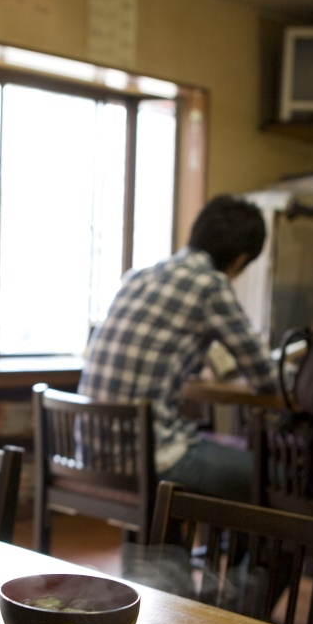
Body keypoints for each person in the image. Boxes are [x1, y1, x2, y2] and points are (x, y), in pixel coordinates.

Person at [79, 194, 278, 503]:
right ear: (240, 259)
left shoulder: (140, 276)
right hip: (150, 458)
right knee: (277, 476)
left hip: (90, 454)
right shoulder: (210, 284)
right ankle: (243, 551)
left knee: (220, 451)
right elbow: (266, 378)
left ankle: (196, 550)